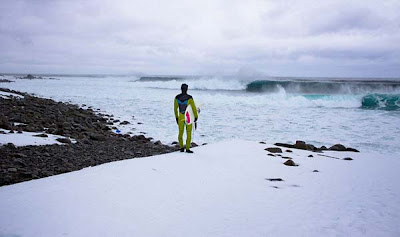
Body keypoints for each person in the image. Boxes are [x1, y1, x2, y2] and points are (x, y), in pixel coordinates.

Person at [174, 83, 198, 153]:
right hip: (188, 117)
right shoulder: (190, 98)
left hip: (181, 117)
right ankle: (187, 148)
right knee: (188, 133)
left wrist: (176, 117)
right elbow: (193, 108)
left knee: (180, 133)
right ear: (187, 89)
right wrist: (196, 116)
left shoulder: (176, 98)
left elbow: (175, 109)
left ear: (181, 89)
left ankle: (181, 148)